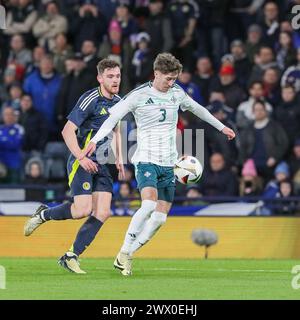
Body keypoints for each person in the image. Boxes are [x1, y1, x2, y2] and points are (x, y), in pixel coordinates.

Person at [83, 53, 235, 276]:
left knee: (160, 218)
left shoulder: (177, 93)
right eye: (168, 79)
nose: (171, 83)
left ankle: (126, 254)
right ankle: (124, 252)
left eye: (174, 78)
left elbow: (198, 109)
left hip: (169, 163)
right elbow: (111, 120)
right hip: (145, 159)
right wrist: (95, 141)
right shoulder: (138, 95)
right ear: (156, 74)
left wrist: (221, 127)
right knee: (148, 205)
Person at [24, 59, 125, 274]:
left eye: (117, 76)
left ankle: (71, 256)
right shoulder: (90, 99)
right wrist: (81, 158)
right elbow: (67, 131)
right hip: (83, 159)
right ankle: (44, 214)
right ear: (100, 78)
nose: (115, 80)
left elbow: (116, 130)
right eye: (110, 76)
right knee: (82, 210)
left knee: (103, 212)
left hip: (103, 163)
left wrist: (119, 157)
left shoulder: (119, 101)